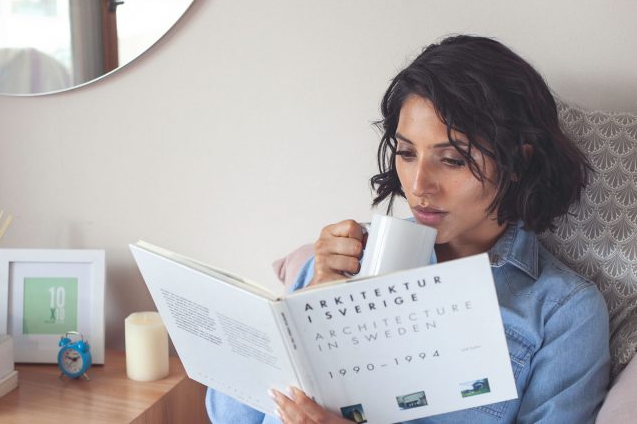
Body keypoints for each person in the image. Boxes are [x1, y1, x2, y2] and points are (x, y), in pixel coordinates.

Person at [206, 35, 611, 423]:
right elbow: (228, 416)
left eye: (451, 160)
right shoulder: (347, 254)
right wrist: (310, 300)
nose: (418, 187)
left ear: (519, 162)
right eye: (405, 153)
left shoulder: (562, 311)